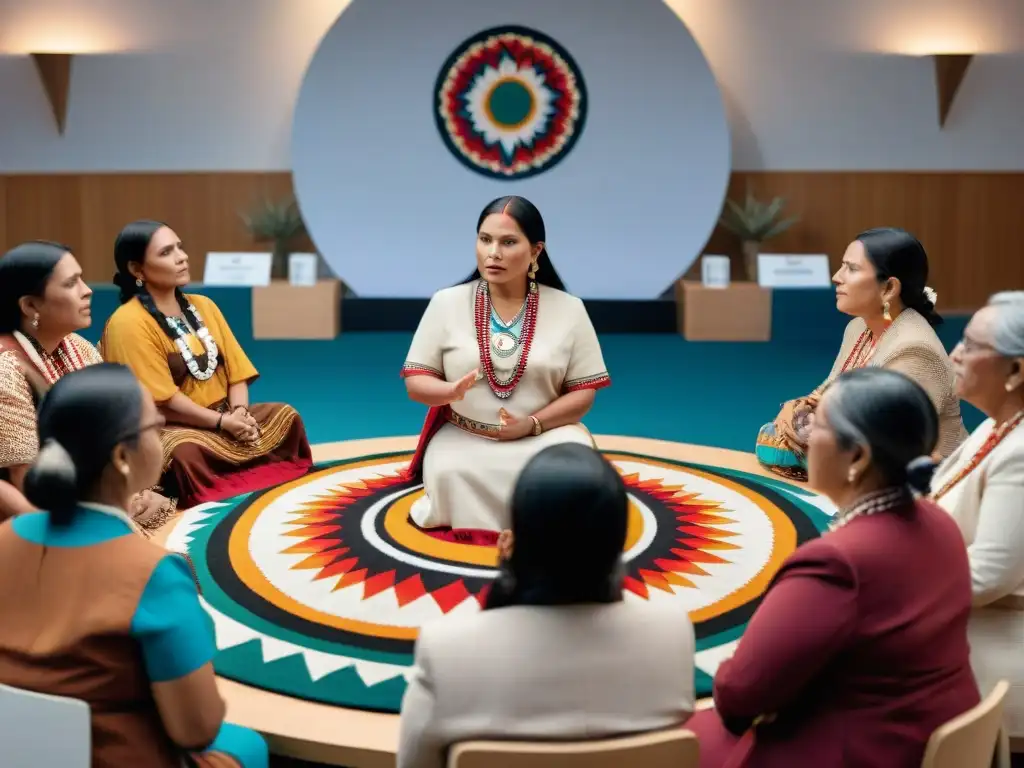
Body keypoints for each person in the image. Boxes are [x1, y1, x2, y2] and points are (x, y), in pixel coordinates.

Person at [691, 368, 979, 767]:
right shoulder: (940, 523)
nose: (803, 438)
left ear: (857, 456)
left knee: (681, 736)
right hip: (934, 731)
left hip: (862, 751)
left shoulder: (837, 563)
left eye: (817, 426)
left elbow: (741, 694)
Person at [0, 363, 268, 768]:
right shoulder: (154, 574)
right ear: (123, 457)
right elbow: (197, 729)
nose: (161, 434)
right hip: (117, 756)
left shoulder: (7, 537)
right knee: (245, 747)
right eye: (154, 426)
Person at [397, 443, 695, 768]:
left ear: (514, 542)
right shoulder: (673, 633)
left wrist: (507, 574)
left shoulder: (446, 651)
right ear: (619, 540)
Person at [402, 196, 610, 539]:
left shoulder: (570, 309)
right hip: (466, 436)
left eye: (508, 242)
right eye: (485, 239)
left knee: (573, 473)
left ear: (536, 251)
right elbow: (415, 382)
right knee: (451, 473)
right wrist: (450, 391)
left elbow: (584, 393)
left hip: (547, 438)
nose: (492, 252)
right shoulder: (446, 303)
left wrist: (531, 425)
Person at [100, 220, 313, 509]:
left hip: (226, 417)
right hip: (173, 428)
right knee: (185, 454)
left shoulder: (205, 306)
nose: (181, 256)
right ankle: (231, 466)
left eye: (180, 247)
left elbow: (236, 372)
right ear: (137, 270)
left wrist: (240, 414)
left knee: (286, 416)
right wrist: (223, 423)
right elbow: (164, 400)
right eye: (166, 252)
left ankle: (235, 457)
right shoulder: (128, 322)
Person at [756, 227, 965, 481]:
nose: (836, 277)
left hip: (927, 481)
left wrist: (813, 433)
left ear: (888, 288)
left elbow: (892, 446)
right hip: (863, 451)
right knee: (775, 436)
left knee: (784, 448)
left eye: (852, 269)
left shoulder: (914, 350)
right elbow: (825, 395)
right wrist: (800, 413)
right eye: (842, 267)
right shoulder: (859, 327)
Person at [0, 240, 174, 527]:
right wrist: (75, 529)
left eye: (82, 279)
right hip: (28, 507)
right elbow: (23, 480)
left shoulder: (78, 348)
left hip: (83, 489)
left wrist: (131, 490)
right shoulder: (6, 368)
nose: (87, 290)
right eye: (71, 284)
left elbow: (113, 426)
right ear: (30, 305)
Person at [932, 291, 1024, 738]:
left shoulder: (1021, 451)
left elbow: (988, 575)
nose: (954, 354)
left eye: (970, 345)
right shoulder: (998, 422)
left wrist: (891, 588)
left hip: (996, 651)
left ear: (1016, 371)